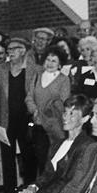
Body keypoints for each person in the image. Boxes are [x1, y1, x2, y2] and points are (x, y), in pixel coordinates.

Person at [0, 36, 40, 189]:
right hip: (6, 119)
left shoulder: (34, 69)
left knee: (28, 155)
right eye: (8, 50)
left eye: (13, 49)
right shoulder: (0, 69)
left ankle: (30, 189)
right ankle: (9, 191)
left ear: (23, 51)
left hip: (27, 119)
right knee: (7, 156)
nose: (9, 52)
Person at [26, 47, 71, 175]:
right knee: (40, 158)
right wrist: (34, 110)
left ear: (60, 64)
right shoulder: (36, 76)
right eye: (48, 60)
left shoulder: (64, 79)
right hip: (38, 124)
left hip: (55, 125)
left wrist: (45, 112)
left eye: (54, 61)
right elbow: (29, 96)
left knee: (54, 159)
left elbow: (63, 102)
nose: (50, 63)